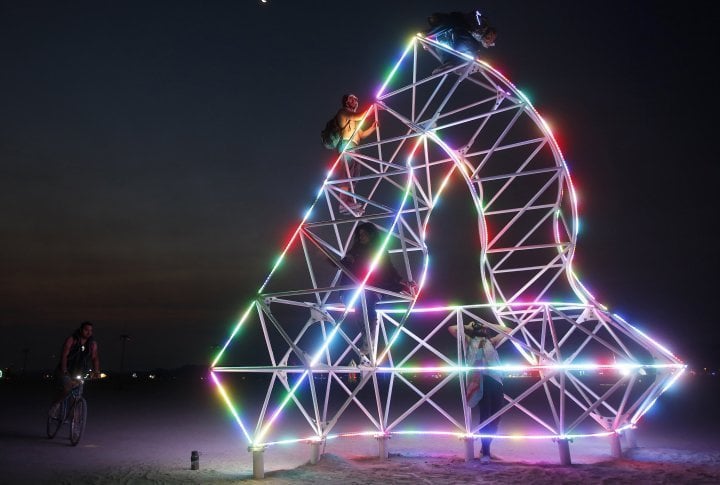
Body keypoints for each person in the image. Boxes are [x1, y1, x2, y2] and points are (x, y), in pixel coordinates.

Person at [340, 222, 416, 362]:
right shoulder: (355, 251)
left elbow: (389, 269)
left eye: (364, 234)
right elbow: (342, 264)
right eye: (359, 234)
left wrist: (401, 281)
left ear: (371, 235)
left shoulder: (380, 251)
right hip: (354, 286)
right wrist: (346, 260)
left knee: (365, 303)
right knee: (360, 308)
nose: (361, 237)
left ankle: (369, 338)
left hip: (371, 286)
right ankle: (368, 338)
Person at [448, 320, 504, 463]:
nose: (482, 330)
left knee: (496, 417)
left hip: (496, 379)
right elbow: (452, 328)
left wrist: (488, 325)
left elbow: (509, 331)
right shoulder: (468, 341)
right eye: (479, 328)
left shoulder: (492, 341)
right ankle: (485, 452)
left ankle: (486, 449)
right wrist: (469, 326)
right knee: (485, 415)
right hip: (478, 380)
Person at [335, 94, 377, 215]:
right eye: (351, 99)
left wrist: (372, 128)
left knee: (354, 176)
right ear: (346, 101)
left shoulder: (354, 119)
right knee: (346, 174)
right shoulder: (343, 112)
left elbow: (361, 134)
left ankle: (348, 201)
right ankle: (343, 203)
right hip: (347, 145)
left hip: (356, 147)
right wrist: (373, 108)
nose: (354, 101)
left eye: (356, 99)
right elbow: (360, 116)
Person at [49, 321, 101, 413]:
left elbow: (95, 358)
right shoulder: (72, 339)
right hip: (65, 370)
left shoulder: (92, 343)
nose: (89, 332)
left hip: (79, 372)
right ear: (81, 330)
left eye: (91, 330)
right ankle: (56, 404)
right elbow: (64, 355)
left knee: (77, 397)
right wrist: (64, 371)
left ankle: (75, 421)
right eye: (86, 330)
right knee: (67, 388)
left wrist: (96, 371)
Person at [424, 10, 497, 74]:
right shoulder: (451, 23)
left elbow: (442, 27)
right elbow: (439, 31)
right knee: (440, 39)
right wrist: (428, 40)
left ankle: (452, 63)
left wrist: (427, 35)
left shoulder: (450, 21)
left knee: (442, 36)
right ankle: (451, 63)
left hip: (466, 45)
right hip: (467, 45)